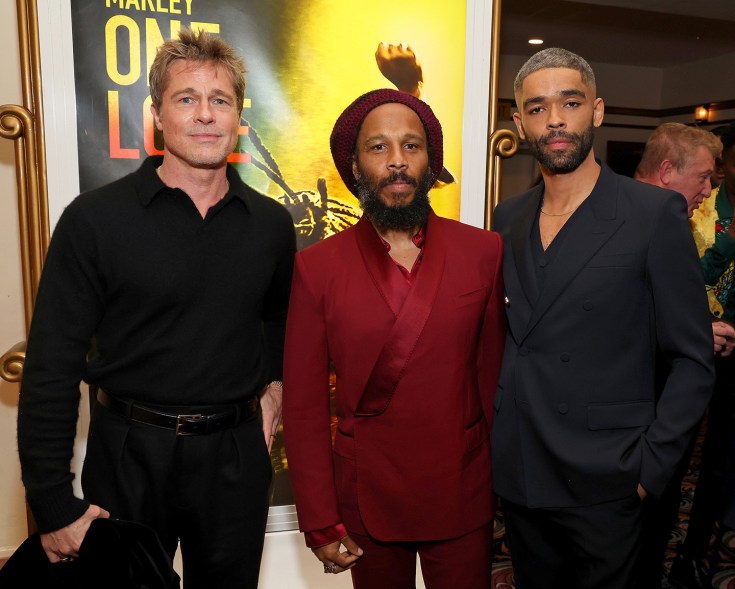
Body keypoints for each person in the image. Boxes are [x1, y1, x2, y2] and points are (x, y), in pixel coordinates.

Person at [17, 29, 296, 588]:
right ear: (157, 115)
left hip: (234, 459)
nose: (205, 115)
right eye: (186, 99)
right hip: (127, 455)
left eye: (220, 100)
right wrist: (51, 504)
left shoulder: (270, 224)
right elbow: (50, 367)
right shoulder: (93, 221)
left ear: (239, 116)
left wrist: (273, 386)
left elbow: (277, 319)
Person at [491, 47, 715, 589]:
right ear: (520, 123)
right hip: (523, 473)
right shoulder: (508, 217)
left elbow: (692, 358)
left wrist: (650, 469)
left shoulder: (651, 213)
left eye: (571, 102)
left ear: (596, 110)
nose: (557, 119)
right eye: (539, 109)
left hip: (609, 480)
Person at [282, 88, 505, 588]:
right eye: (378, 148)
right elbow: (303, 405)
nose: (397, 162)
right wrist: (318, 516)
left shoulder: (483, 251)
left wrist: (499, 480)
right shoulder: (317, 267)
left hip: (462, 485)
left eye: (412, 146)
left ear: (431, 161)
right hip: (367, 491)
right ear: (356, 166)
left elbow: (492, 380)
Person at [634, 122, 726, 588]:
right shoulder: (627, 220)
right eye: (704, 178)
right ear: (668, 171)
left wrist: (698, 331)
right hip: (633, 417)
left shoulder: (672, 221)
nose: (708, 192)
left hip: (665, 408)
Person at [668, 122, 735, 589]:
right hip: (689, 345)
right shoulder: (700, 204)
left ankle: (695, 554)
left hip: (734, 352)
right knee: (674, 453)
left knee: (720, 459)